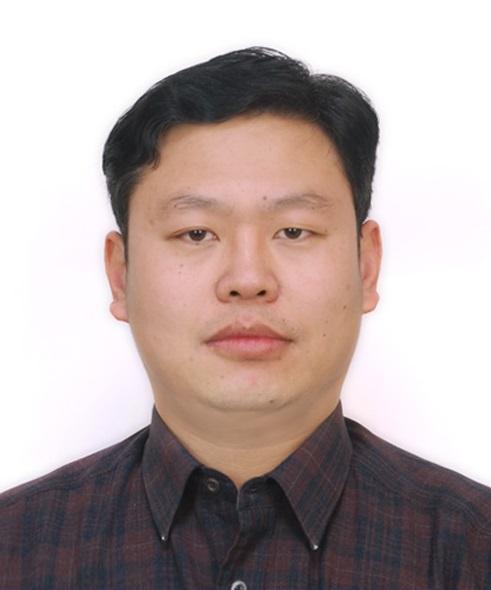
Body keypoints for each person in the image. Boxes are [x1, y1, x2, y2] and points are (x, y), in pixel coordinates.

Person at [1, 46, 490, 589]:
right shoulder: (16, 549)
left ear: (366, 265)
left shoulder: (472, 549)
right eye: (196, 233)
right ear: (121, 274)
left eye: (294, 231)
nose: (249, 278)